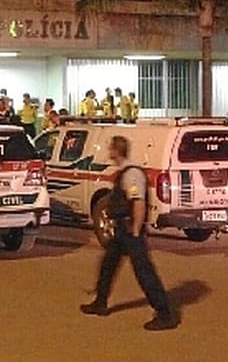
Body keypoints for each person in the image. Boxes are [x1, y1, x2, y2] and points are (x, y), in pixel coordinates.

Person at [80, 135, 178, 331]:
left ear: (117, 151)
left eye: (111, 149)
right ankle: (100, 302)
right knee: (108, 265)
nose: (109, 152)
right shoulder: (125, 171)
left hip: (129, 229)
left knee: (144, 271)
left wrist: (135, 230)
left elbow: (138, 201)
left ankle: (165, 313)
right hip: (122, 229)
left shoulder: (131, 174)